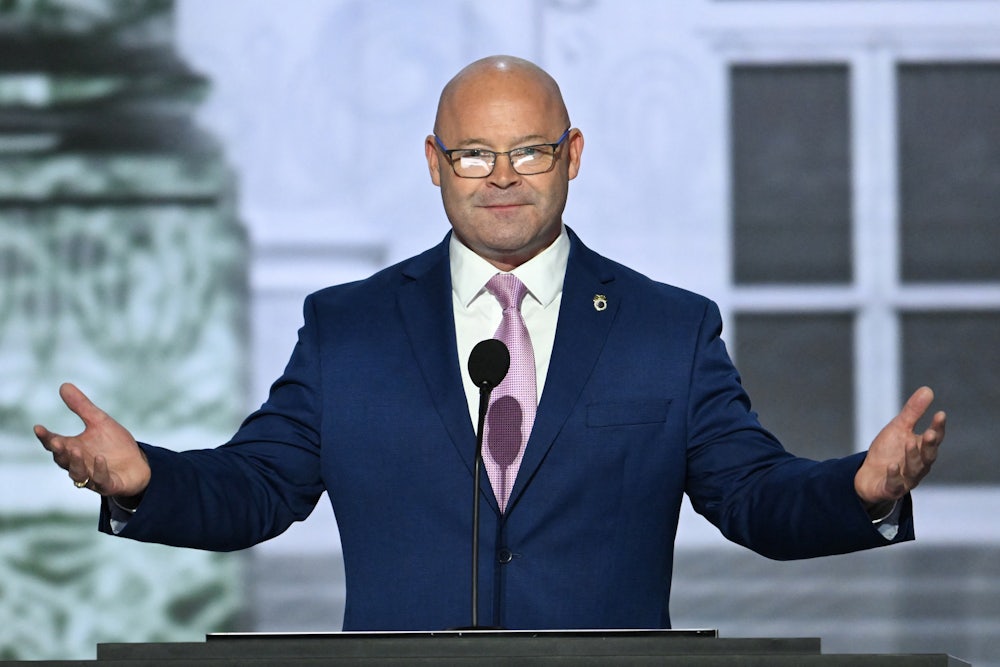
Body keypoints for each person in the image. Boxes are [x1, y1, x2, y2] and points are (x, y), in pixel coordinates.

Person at [34, 55, 945, 632]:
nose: (501, 177)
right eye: (473, 153)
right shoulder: (348, 327)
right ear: (434, 162)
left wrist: (859, 490)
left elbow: (751, 496)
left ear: (573, 154)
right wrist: (145, 479)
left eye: (530, 152)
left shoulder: (668, 327)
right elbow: (258, 488)